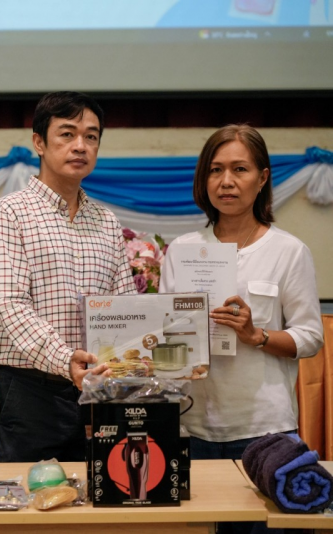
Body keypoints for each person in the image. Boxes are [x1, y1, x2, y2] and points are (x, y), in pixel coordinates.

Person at [0, 92, 136, 463]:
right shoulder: (9, 213)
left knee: (101, 493)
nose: (80, 146)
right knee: (30, 497)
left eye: (91, 136)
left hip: (100, 390)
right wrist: (66, 360)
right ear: (39, 142)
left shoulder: (107, 221)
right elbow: (12, 305)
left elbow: (125, 306)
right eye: (67, 134)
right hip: (31, 393)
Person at [160, 125, 324, 462]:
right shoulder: (182, 249)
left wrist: (256, 335)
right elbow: (164, 336)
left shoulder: (288, 250)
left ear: (262, 178)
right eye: (215, 170)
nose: (226, 181)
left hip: (265, 427)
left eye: (239, 169)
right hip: (191, 424)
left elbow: (310, 338)